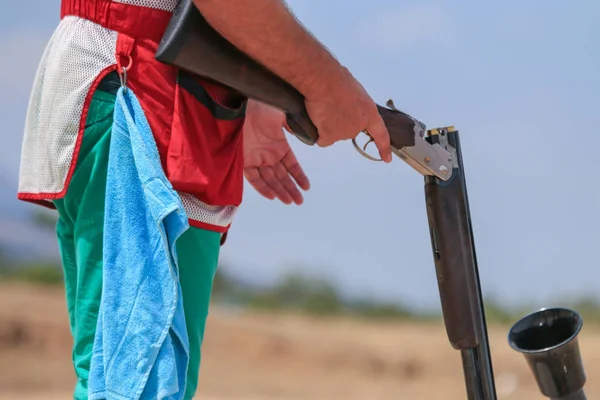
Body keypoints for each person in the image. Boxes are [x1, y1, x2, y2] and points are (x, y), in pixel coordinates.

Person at [17, 0, 392, 399]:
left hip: (140, 87)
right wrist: (328, 85)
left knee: (119, 376)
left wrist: (256, 91)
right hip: (143, 94)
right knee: (143, 382)